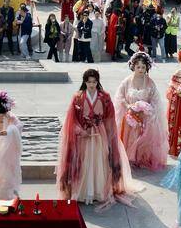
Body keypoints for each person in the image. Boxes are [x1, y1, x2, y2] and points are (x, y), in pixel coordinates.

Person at [56, 69, 136, 206]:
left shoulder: (104, 97)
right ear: (85, 82)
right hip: (84, 135)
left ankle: (99, 191)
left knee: (100, 160)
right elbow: (71, 120)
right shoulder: (78, 97)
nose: (92, 84)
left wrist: (110, 136)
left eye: (94, 82)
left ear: (98, 82)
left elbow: (110, 118)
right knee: (84, 160)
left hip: (100, 134)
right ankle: (83, 191)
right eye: (89, 82)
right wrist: (81, 131)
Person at [115, 52, 169, 171]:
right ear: (133, 67)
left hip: (145, 116)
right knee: (129, 136)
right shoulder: (126, 81)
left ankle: (141, 158)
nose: (140, 69)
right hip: (130, 114)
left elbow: (155, 99)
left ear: (147, 68)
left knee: (143, 137)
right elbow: (120, 96)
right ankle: (129, 158)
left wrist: (146, 109)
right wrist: (129, 106)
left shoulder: (150, 82)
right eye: (138, 67)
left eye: (143, 67)